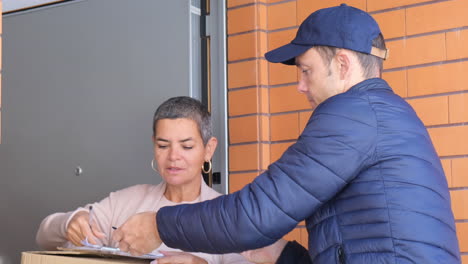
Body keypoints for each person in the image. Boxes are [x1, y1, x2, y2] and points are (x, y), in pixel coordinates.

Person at [112, 4, 461, 264]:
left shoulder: (353, 114)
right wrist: (282, 255)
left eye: (306, 71)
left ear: (342, 65)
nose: (300, 85)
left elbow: (255, 215)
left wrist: (160, 225)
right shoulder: (381, 114)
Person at [36, 96, 253, 264]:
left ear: (208, 149)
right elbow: (44, 235)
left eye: (186, 146)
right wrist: (70, 222)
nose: (173, 156)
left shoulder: (225, 216)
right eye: (162, 145)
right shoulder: (126, 202)